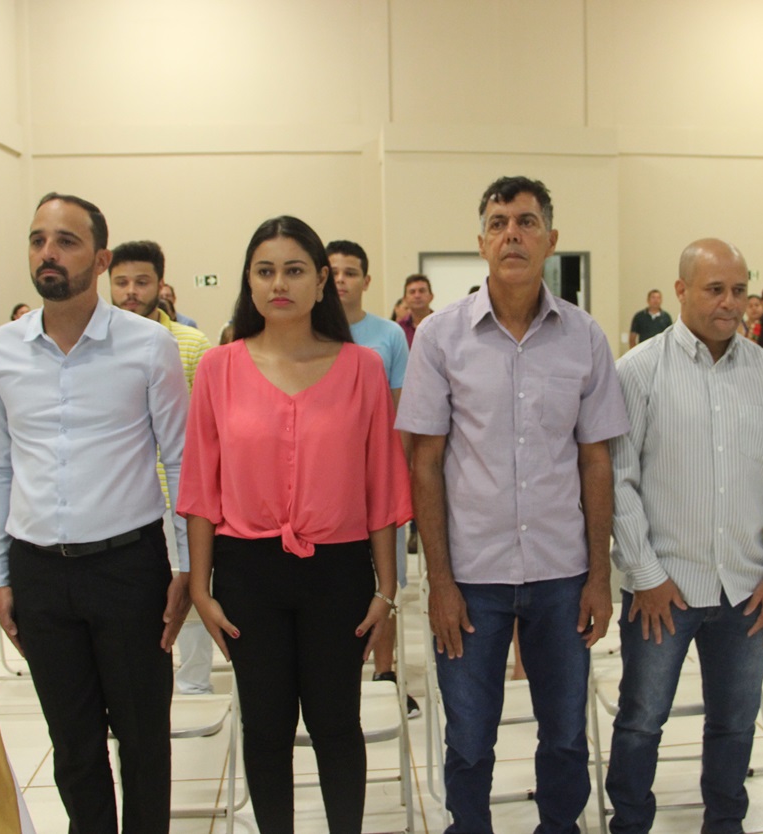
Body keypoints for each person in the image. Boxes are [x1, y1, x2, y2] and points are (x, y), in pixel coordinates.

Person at [396, 175, 629, 833]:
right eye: (498, 224)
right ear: (481, 243)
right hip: (472, 576)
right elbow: (424, 463)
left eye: (527, 222)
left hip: (561, 572)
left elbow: (596, 461)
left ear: (551, 240)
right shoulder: (441, 338)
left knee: (565, 734)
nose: (512, 235)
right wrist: (439, 582)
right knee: (470, 739)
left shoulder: (584, 337)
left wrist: (599, 575)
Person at [179, 216, 410, 833]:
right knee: (266, 726)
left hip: (338, 571)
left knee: (337, 723)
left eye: (294, 270)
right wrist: (200, 586)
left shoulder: (362, 367)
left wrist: (387, 587)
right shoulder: (219, 368)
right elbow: (201, 486)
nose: (279, 283)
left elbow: (382, 484)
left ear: (321, 282)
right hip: (247, 571)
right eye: (265, 271)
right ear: (249, 282)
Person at [0, 193, 192, 833]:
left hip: (128, 569)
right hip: (39, 572)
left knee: (143, 739)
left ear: (100, 259)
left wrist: (185, 566)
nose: (48, 253)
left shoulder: (147, 345)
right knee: (72, 745)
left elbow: (180, 460)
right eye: (38, 239)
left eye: (66, 241)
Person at [607, 238, 763, 834]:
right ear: (680, 291)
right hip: (662, 591)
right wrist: (645, 575)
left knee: (735, 722)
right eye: (715, 289)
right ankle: (631, 823)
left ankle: (725, 822)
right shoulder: (639, 370)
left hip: (748, 589)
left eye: (739, 290)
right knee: (642, 720)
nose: (730, 303)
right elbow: (619, 481)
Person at [109, 239, 216, 696]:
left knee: (191, 590)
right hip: (126, 500)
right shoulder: (100, 347)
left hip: (182, 494)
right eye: (121, 282)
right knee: (135, 605)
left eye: (141, 281)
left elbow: (208, 425)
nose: (131, 291)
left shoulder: (191, 344)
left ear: (160, 284)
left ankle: (194, 686)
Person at [326, 237, 420, 717]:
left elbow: (402, 414)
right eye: (333, 272)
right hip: (329, 487)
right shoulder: (309, 332)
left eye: (350, 272)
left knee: (387, 583)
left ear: (366, 280)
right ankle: (333, 677)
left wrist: (393, 481)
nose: (341, 280)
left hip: (378, 484)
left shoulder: (388, 336)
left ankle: (385, 671)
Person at [397, 274, 434, 346]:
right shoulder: (399, 329)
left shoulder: (441, 325)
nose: (417, 296)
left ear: (431, 296)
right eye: (412, 292)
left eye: (422, 291)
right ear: (405, 299)